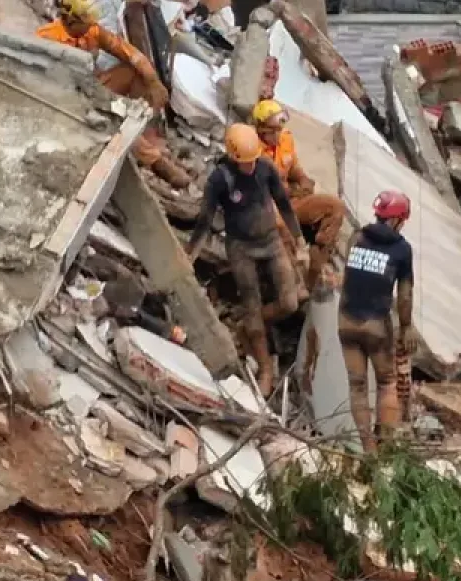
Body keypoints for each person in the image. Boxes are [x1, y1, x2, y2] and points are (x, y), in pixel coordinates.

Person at [187, 124, 308, 396]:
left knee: (290, 301)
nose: (249, 167)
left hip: (272, 242)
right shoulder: (220, 180)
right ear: (232, 156)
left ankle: (250, 324)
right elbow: (205, 220)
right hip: (241, 248)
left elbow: (284, 205)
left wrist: (299, 240)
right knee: (251, 301)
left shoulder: (265, 169)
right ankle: (265, 366)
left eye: (252, 160)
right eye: (244, 162)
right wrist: (191, 253)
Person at [37, 0, 192, 189]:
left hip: (92, 86)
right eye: (86, 22)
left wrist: (153, 81)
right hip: (68, 99)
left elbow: (127, 52)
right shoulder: (48, 39)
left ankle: (142, 130)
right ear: (71, 21)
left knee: (134, 72)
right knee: (114, 119)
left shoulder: (91, 31)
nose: (92, 26)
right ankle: (155, 161)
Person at [338, 191, 416, 453]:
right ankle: (386, 447)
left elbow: (352, 276)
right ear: (397, 220)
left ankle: (367, 449)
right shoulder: (402, 250)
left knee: (357, 385)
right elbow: (404, 296)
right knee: (386, 382)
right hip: (376, 325)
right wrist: (406, 327)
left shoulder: (356, 237)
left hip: (346, 320)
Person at [252, 100, 347, 291]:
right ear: (261, 130)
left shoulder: (286, 139)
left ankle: (319, 257)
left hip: (292, 201)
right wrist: (292, 190)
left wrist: (303, 179)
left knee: (335, 206)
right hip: (267, 204)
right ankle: (296, 277)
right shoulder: (253, 151)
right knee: (280, 225)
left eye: (279, 129)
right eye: (273, 130)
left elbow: (293, 166)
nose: (278, 134)